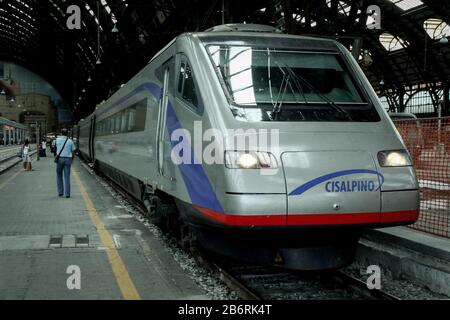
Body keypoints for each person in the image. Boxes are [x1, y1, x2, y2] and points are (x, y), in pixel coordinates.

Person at [55, 129, 75, 198]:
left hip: (60, 159)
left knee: (59, 175)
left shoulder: (57, 140)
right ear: (67, 134)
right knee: (67, 177)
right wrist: (72, 160)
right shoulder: (70, 141)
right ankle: (67, 194)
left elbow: (55, 148)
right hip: (68, 159)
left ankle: (60, 192)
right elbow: (73, 152)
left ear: (61, 133)